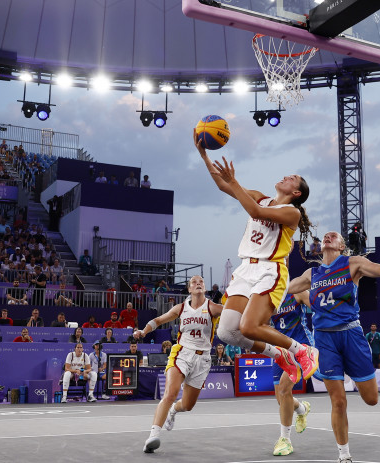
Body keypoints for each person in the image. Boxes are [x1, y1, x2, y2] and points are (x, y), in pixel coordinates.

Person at [196, 132, 317, 384]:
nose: (286, 176)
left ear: (296, 192)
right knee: (228, 331)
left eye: (291, 178)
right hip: (245, 269)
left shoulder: (291, 212)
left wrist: (235, 182)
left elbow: (254, 211)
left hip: (269, 270)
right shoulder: (262, 196)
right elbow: (222, 184)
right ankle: (280, 354)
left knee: (250, 327)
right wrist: (204, 154)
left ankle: (303, 351)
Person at [286, 230, 380, 463]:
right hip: (324, 338)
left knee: (371, 399)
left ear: (342, 246)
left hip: (351, 334)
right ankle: (344, 455)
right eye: (325, 237)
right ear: (321, 247)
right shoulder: (312, 273)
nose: (328, 238)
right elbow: (286, 288)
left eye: (334, 236)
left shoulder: (352, 264)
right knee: (338, 400)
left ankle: (356, 373)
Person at [134, 275, 224, 453]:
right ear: (189, 289)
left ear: (204, 288)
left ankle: (174, 411)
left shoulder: (212, 307)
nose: (198, 284)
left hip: (203, 358)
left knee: (188, 405)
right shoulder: (181, 308)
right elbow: (158, 321)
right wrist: (143, 331)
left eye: (201, 282)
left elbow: (234, 312)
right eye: (194, 282)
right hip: (182, 353)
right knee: (170, 393)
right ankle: (153, 436)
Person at [269, 290, 314, 456]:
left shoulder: (297, 292)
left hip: (299, 346)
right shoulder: (269, 297)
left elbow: (319, 308)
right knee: (281, 399)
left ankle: (285, 440)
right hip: (279, 348)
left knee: (284, 388)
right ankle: (302, 409)